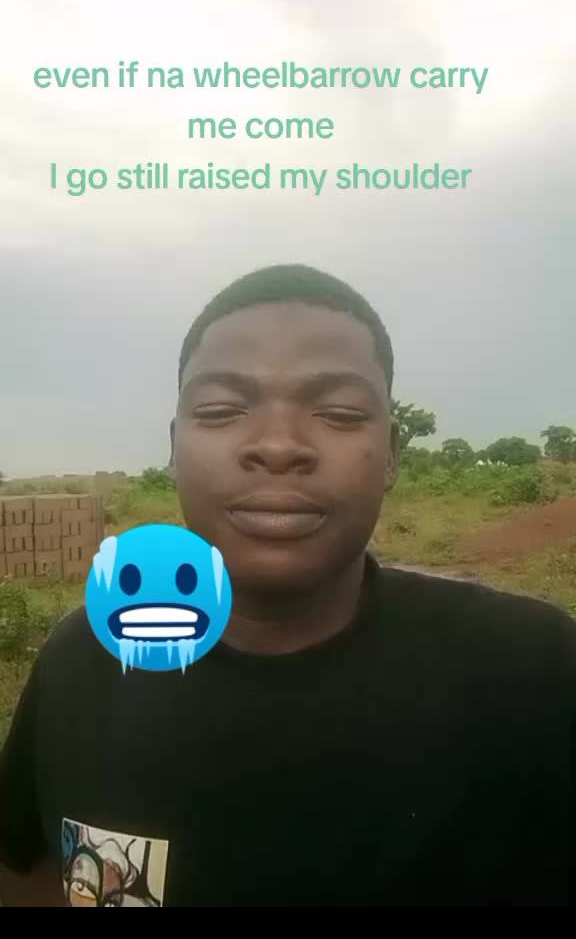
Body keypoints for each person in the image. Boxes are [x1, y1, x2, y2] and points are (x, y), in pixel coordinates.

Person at [1, 262, 575, 907]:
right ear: (175, 447)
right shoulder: (86, 661)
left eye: (339, 412)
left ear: (391, 453)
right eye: (222, 410)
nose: (277, 446)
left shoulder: (534, 672)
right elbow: (30, 874)